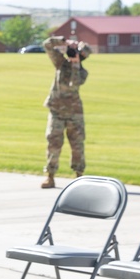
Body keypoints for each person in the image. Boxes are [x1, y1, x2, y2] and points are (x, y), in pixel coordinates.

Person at [41, 35, 91, 189]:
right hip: (56, 110)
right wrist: (63, 41)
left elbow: (73, 85)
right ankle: (50, 176)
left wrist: (76, 65)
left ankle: (79, 175)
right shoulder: (60, 63)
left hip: (74, 113)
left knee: (77, 145)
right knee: (53, 144)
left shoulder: (82, 72)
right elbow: (47, 44)